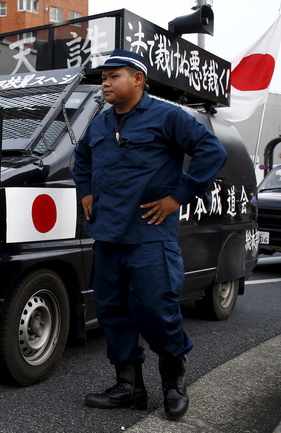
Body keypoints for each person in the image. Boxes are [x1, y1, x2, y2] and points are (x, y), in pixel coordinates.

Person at [71, 49, 228, 421]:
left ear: (138, 80)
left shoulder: (167, 116)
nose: (106, 83)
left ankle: (173, 381)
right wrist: (86, 191)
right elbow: (83, 160)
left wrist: (178, 197)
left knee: (156, 311)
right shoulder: (100, 123)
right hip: (108, 235)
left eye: (115, 76)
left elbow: (211, 151)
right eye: (104, 78)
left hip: (149, 236)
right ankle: (129, 387)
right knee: (112, 313)